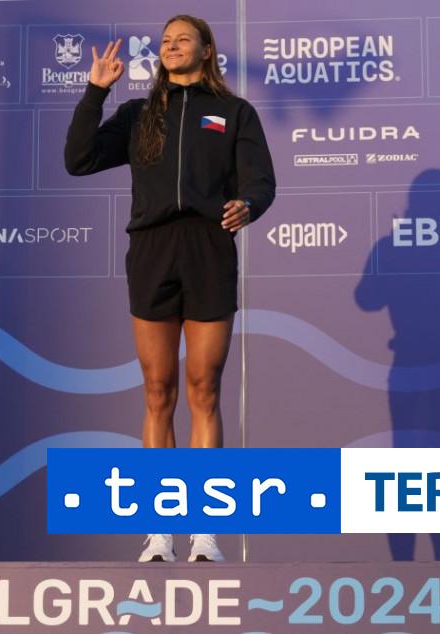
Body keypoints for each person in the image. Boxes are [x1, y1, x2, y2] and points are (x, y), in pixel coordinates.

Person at [65, 14, 275, 562]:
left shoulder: (235, 112)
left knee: (205, 389)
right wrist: (95, 91)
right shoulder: (139, 114)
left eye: (183, 39)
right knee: (158, 391)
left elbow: (261, 182)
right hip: (152, 252)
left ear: (206, 51)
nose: (172, 46)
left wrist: (248, 204)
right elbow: (78, 160)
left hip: (208, 248)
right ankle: (160, 529)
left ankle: (206, 531)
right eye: (165, 41)